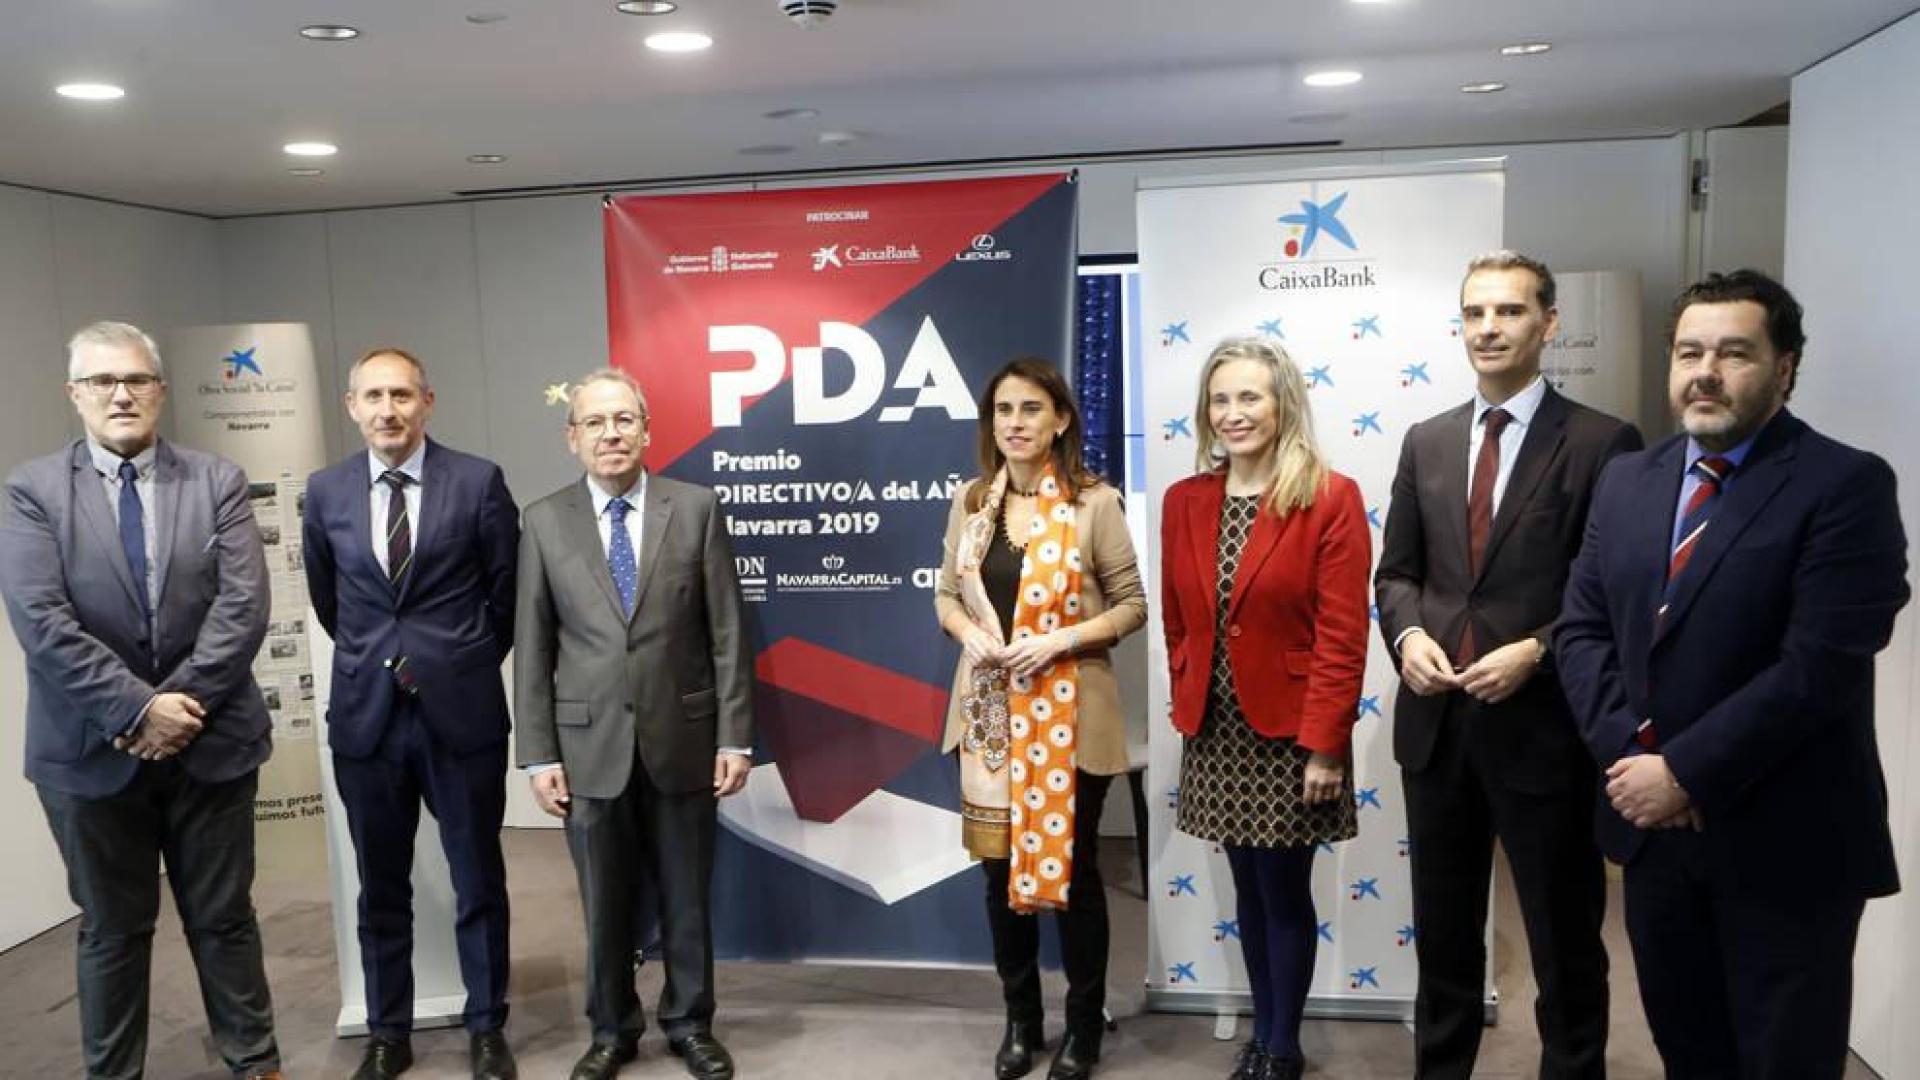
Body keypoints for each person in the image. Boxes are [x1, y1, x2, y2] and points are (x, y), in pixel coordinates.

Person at [1555, 270, 1909, 1079]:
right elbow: (1581, 630)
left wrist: (1685, 772)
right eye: (1689, 351)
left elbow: (1819, 666)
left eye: (1734, 352)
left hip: (1785, 840)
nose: (1705, 370)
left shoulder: (1845, 484)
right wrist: (1633, 761)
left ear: (1785, 366)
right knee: (1690, 1053)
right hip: (1651, 835)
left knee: (1784, 1059)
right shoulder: (1630, 479)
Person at [1374, 252, 1640, 1080]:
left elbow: (1615, 594)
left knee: (1564, 938)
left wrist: (1539, 650)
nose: (1489, 328)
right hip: (1438, 729)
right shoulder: (1428, 441)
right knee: (1445, 936)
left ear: (1548, 324)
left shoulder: (1603, 441)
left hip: (1545, 733)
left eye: (1510, 312)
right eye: (1475, 313)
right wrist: (1407, 637)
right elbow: (1398, 574)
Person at [0, 321, 283, 1080]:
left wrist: (176, 707)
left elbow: (244, 606)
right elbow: (41, 620)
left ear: (160, 390)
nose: (120, 394)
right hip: (89, 756)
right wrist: (134, 710)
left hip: (212, 744)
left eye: (135, 380)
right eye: (102, 381)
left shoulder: (217, 480)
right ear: (75, 394)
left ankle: (256, 1065)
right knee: (113, 930)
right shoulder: (32, 491)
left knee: (224, 922)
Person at [515, 369, 752, 1080]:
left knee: (686, 899)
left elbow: (728, 634)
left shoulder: (697, 508)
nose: (611, 434)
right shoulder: (544, 520)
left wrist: (733, 735)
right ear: (573, 437)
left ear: (646, 431)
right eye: (595, 423)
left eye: (624, 421)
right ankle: (611, 1029)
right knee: (603, 905)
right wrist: (536, 755)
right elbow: (534, 645)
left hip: (683, 738)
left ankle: (689, 1022)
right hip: (586, 748)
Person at [302, 347, 520, 1080]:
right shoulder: (325, 491)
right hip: (367, 717)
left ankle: (488, 1027)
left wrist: (447, 661)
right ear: (351, 406)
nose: (388, 410)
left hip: (460, 716)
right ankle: (387, 1031)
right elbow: (333, 603)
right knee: (380, 884)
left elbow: (505, 596)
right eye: (374, 396)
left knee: (478, 878)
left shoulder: (478, 481)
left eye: (401, 395)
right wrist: (385, 659)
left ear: (428, 401)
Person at [1161, 338, 1370, 1080]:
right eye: (1220, 399)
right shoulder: (1185, 500)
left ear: (1283, 401)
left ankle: (1282, 1046)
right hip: (1215, 733)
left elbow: (1344, 634)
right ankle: (1261, 1030)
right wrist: (1186, 682)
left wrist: (1325, 746)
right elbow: (1179, 620)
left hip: (1291, 734)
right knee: (1246, 889)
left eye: (1249, 396)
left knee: (1283, 892)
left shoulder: (1328, 496)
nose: (1233, 413)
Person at [935, 358, 1145, 1080]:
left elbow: (1131, 605)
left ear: (1059, 420)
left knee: (1077, 879)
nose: (1016, 423)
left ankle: (1084, 1028)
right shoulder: (972, 504)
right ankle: (1021, 1022)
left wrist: (1062, 638)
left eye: (1031, 409)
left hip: (1073, 719)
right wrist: (969, 633)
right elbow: (945, 597)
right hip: (990, 723)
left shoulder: (1095, 503)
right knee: (1000, 883)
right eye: (1003, 411)